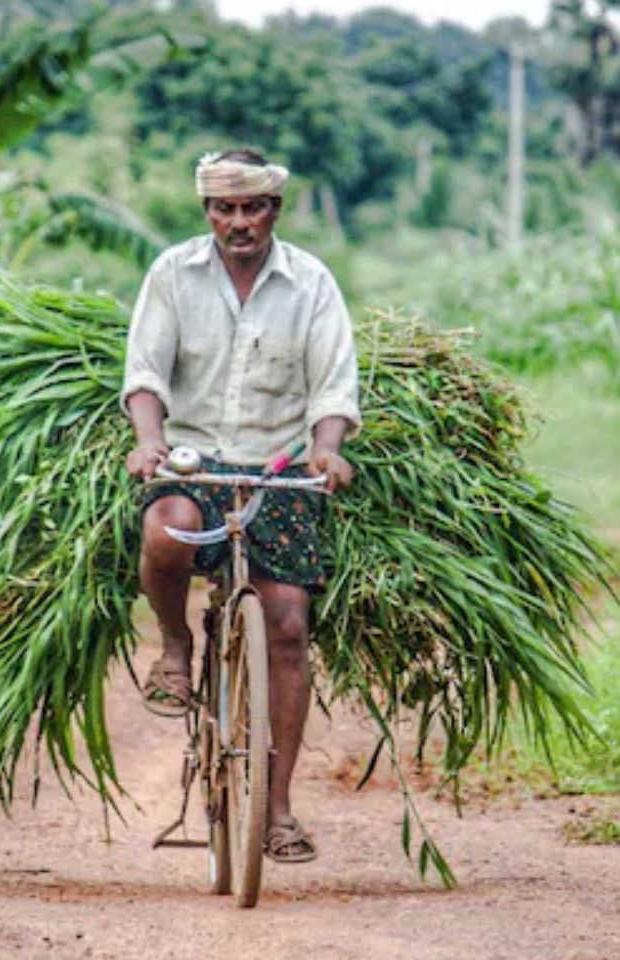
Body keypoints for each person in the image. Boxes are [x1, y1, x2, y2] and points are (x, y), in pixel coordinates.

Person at [120, 148, 360, 865]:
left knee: (287, 622)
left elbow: (333, 385)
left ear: (274, 211)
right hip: (194, 459)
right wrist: (150, 443)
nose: (238, 222)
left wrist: (327, 448)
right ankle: (175, 644)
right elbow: (145, 374)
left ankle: (277, 808)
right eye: (224, 209)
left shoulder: (311, 283)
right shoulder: (172, 274)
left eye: (252, 207)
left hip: (277, 468)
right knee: (167, 532)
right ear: (207, 214)